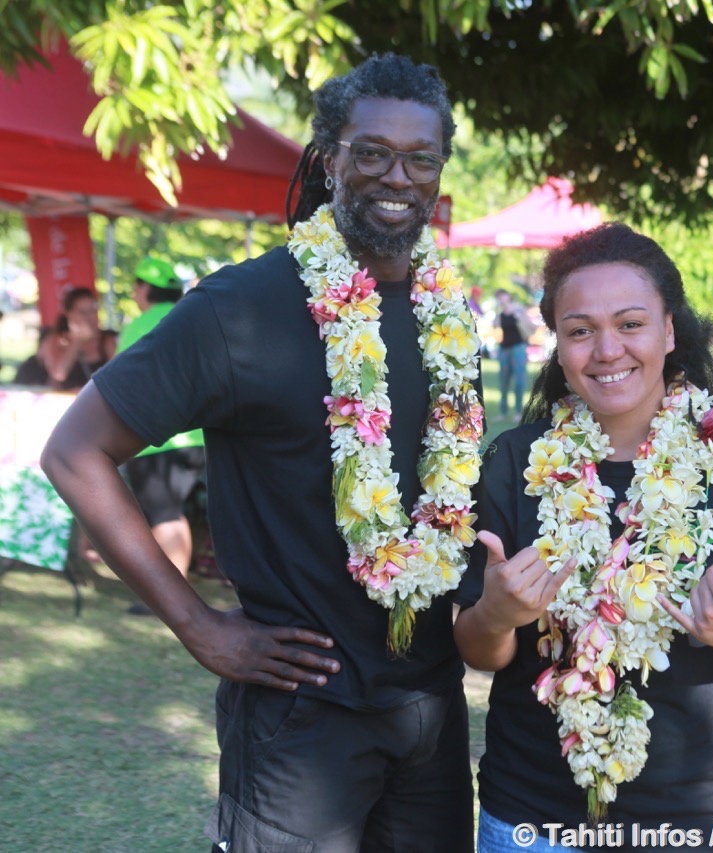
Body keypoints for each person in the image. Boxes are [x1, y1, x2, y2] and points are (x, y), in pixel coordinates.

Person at [41, 54, 481, 852]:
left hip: (430, 709)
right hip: (299, 714)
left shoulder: (446, 318)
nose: (397, 176)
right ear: (327, 159)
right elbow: (75, 451)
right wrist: (197, 625)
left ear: (439, 174)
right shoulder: (241, 308)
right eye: (371, 151)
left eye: (421, 158)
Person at [454, 222, 713, 851]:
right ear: (558, 346)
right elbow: (476, 647)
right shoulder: (515, 462)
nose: (607, 350)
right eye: (580, 331)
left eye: (630, 323)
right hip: (531, 816)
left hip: (693, 818)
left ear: (669, 331)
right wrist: (497, 617)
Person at [115, 256, 207, 615]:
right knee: (172, 513)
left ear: (145, 288)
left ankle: (168, 599)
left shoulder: (138, 326)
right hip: (196, 439)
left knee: (164, 515)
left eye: (136, 286)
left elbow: (121, 384)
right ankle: (175, 589)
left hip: (157, 439)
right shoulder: (191, 316)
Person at [22, 287, 115, 390]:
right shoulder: (55, 340)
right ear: (69, 315)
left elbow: (116, 375)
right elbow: (58, 374)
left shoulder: (107, 341)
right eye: (83, 312)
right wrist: (77, 341)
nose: (90, 317)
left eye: (93, 311)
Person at [494, 286, 534, 417]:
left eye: (502, 296)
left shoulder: (518, 311)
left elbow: (531, 329)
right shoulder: (500, 315)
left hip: (518, 348)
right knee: (503, 381)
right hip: (504, 349)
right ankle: (503, 411)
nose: (501, 299)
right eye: (498, 297)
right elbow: (495, 328)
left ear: (508, 297)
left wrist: (518, 316)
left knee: (519, 381)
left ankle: (518, 411)